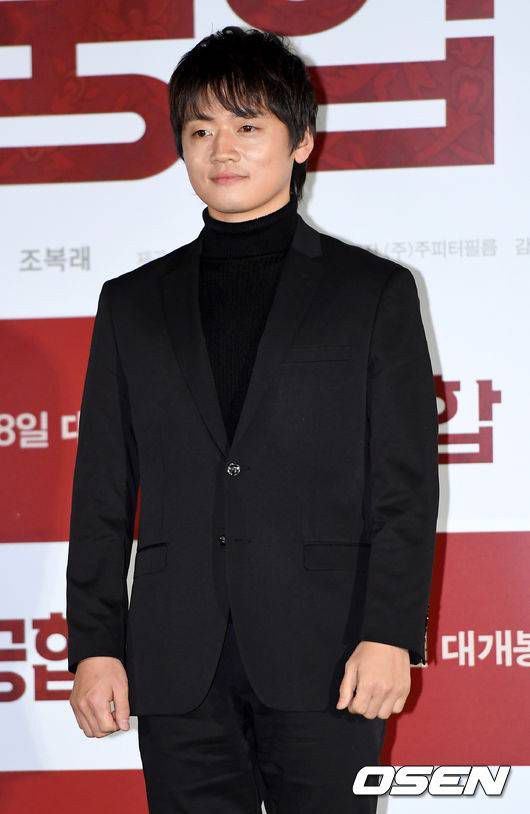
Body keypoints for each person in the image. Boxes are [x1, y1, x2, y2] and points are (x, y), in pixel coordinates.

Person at [66, 25, 439, 813]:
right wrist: (95, 646)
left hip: (329, 655)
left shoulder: (371, 294)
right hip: (177, 663)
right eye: (200, 130)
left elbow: (403, 486)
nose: (222, 149)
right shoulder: (132, 305)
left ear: (301, 141)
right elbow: (101, 489)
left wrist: (390, 634)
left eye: (247, 126)